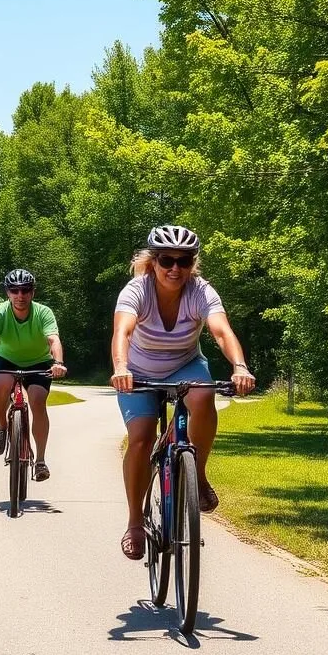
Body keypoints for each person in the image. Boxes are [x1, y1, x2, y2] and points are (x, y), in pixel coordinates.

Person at [110, 225, 256, 560]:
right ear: (153, 262)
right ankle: (135, 523)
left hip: (185, 365)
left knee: (204, 397)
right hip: (138, 372)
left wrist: (240, 367)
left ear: (193, 263)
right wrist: (121, 367)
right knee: (142, 438)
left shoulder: (201, 291)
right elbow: (123, 331)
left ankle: (198, 475)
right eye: (167, 260)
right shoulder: (137, 290)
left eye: (184, 261)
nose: (175, 268)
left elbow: (221, 331)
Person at [0, 269, 67, 482]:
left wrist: (58, 363)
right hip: (7, 359)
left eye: (25, 290)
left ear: (32, 292)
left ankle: (40, 460)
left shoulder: (43, 312)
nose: (20, 295)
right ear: (8, 292)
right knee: (0, 385)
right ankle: (3, 428)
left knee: (37, 399)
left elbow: (53, 340)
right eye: (14, 290)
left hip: (39, 362)